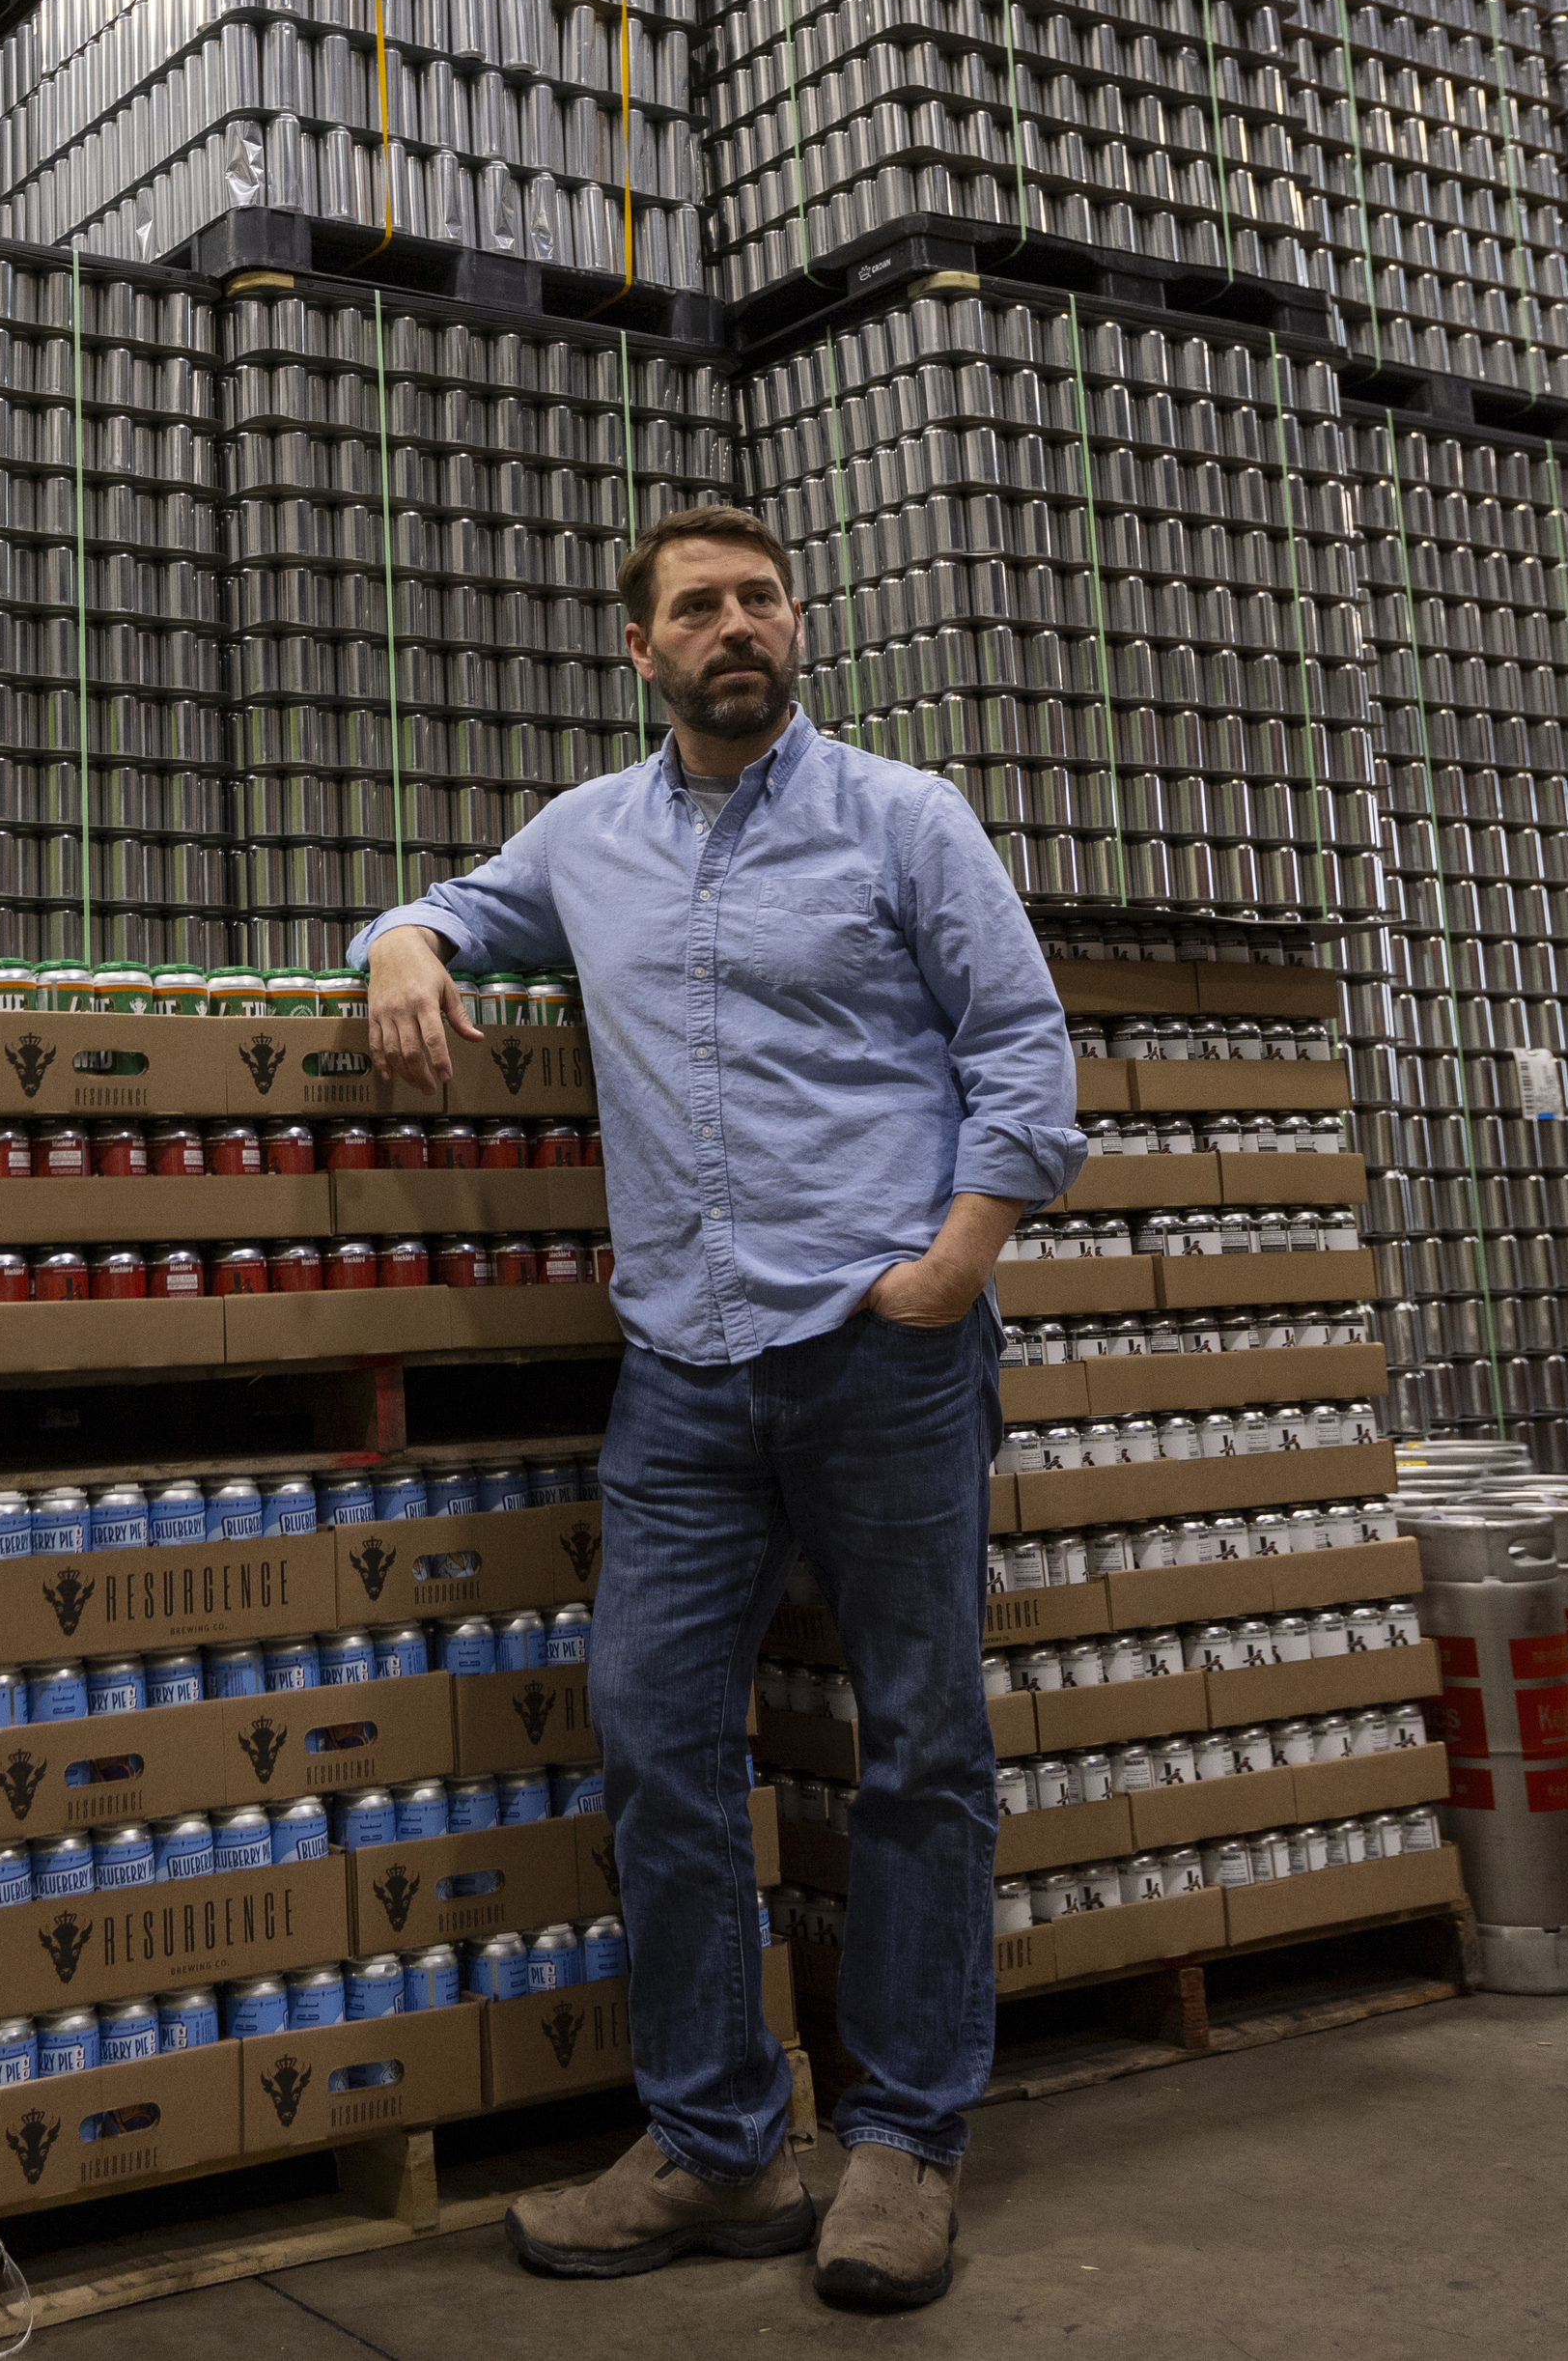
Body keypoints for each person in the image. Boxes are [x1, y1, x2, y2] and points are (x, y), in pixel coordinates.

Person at [357, 501, 1077, 2311]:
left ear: (795, 622)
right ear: (643, 650)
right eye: (699, 606)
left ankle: (903, 2145)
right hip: (683, 1366)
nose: (735, 625)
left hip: (883, 1354)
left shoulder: (905, 818)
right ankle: (718, 2138)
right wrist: (401, 941)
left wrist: (948, 1269)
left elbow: (1025, 1056)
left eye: (760, 596)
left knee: (920, 1747)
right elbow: (456, 906)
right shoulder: (583, 840)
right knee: (655, 1735)